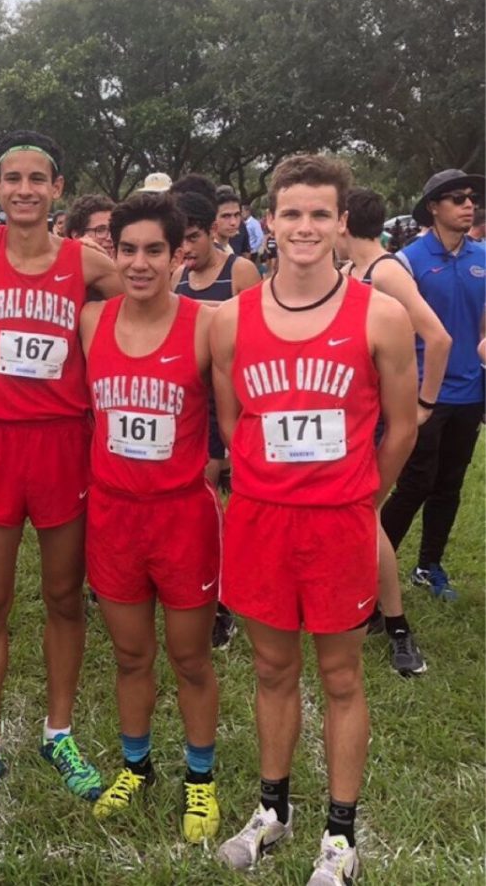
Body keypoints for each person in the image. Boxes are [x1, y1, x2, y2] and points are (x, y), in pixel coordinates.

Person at [211, 155, 417, 884]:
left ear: (341, 223)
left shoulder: (382, 315)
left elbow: (400, 429)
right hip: (262, 521)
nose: (304, 227)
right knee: (271, 668)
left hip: (337, 523)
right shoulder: (231, 321)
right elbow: (235, 425)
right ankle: (274, 810)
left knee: (339, 676)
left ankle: (340, 833)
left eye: (319, 214)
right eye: (291, 213)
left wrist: (362, 495)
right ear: (272, 221)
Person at [0, 130, 120, 822]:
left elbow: (159, 292)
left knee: (66, 597)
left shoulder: (85, 261)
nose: (24, 190)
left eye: (37, 179)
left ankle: (59, 734)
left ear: (58, 189)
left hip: (62, 447)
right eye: (12, 179)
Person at [82, 191, 222, 844]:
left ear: (179, 254)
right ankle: (137, 766)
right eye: (127, 249)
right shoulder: (91, 324)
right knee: (131, 654)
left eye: (154, 251)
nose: (139, 263)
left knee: (190, 658)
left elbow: (236, 423)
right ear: (113, 251)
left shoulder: (205, 325)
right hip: (113, 516)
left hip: (181, 518)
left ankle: (200, 782)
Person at [340, 187, 453, 675]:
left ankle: (397, 625)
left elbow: (438, 336)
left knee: (367, 518)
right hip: (359, 416)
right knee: (361, 518)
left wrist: (425, 403)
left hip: (389, 417)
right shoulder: (350, 272)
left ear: (342, 222)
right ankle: (369, 609)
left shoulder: (384, 271)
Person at [381, 169, 485, 600]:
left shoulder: (482, 258)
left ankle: (429, 566)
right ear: (432, 208)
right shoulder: (408, 262)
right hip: (423, 396)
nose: (468, 205)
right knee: (415, 484)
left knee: (450, 483)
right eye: (457, 198)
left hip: (470, 393)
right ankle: (371, 566)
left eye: (471, 198)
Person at [172, 190, 259, 648]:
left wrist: (203, 316)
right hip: (191, 402)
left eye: (192, 238)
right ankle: (199, 591)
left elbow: (257, 327)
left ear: (211, 233)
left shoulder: (238, 269)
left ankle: (223, 602)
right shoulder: (178, 274)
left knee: (214, 502)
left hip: (230, 399)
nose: (186, 249)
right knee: (195, 502)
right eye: (179, 240)